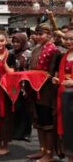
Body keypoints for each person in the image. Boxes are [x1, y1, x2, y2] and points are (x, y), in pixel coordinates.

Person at [26, 23, 60, 162]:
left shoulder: (54, 50)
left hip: (47, 91)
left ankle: (50, 153)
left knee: (47, 123)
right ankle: (42, 150)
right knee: (38, 122)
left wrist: (38, 76)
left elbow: (52, 73)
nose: (38, 36)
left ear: (49, 34)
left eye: (42, 34)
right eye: (37, 34)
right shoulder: (36, 49)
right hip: (35, 89)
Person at [0, 31, 16, 156]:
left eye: (2, 41)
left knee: (5, 118)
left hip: (6, 91)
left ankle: (5, 146)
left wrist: (4, 62)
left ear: (6, 41)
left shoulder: (11, 55)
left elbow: (12, 72)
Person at [52, 27, 73, 162]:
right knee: (68, 130)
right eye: (66, 38)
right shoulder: (64, 55)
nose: (68, 41)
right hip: (65, 97)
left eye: (71, 39)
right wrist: (57, 80)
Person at [10, 33, 32, 142]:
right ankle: (15, 132)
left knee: (26, 109)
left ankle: (25, 133)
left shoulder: (28, 54)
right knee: (15, 108)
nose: (15, 44)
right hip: (13, 84)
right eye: (13, 42)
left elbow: (30, 69)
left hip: (25, 84)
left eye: (17, 42)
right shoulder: (10, 53)